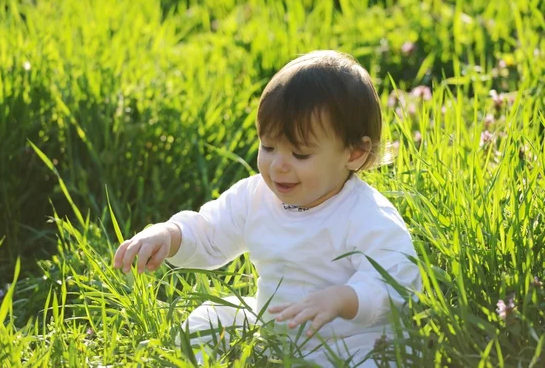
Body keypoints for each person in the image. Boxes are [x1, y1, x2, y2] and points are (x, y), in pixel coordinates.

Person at [113, 50, 422, 367]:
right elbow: (209, 232)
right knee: (205, 321)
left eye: (300, 155)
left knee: (380, 361)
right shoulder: (254, 196)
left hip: (352, 341)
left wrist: (343, 298)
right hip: (273, 328)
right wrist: (169, 234)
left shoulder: (366, 214)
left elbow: (397, 278)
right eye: (268, 147)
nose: (278, 165)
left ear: (355, 154)